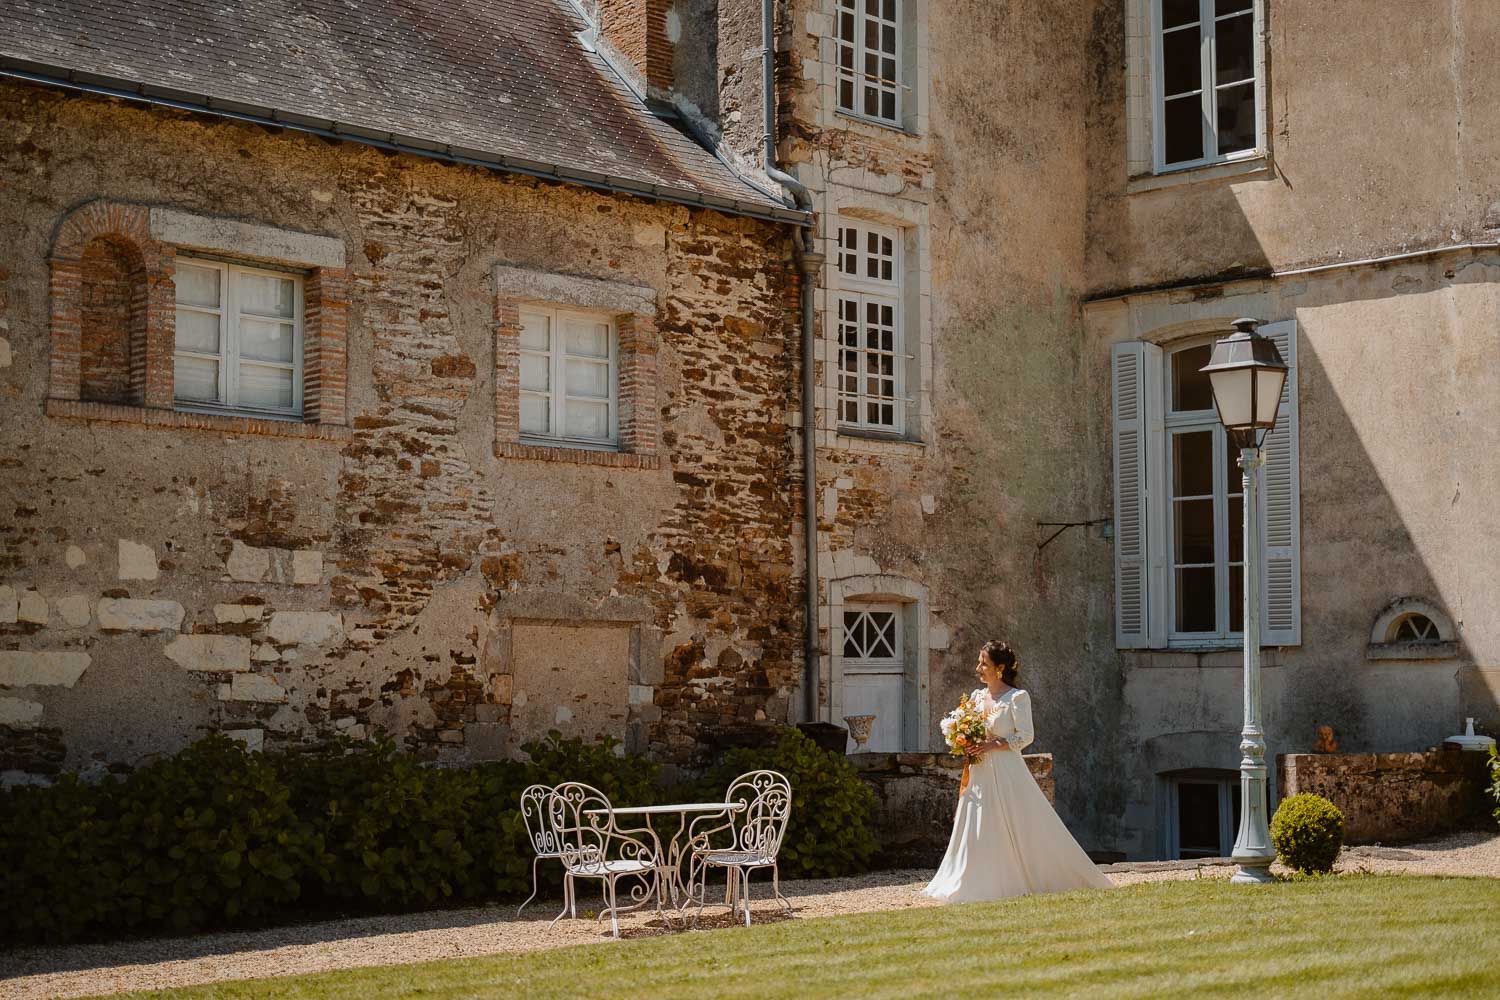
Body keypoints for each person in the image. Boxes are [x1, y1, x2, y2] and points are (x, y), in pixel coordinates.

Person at [922, 640, 1113, 902]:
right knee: (977, 820)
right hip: (979, 771)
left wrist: (993, 744)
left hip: (1006, 768)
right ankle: (973, 877)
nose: (978, 667)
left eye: (984, 663)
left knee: (1019, 821)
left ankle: (1030, 875)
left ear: (999, 668)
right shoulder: (977, 697)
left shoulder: (1017, 698)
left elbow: (1025, 736)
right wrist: (962, 738)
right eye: (979, 662)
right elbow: (968, 728)